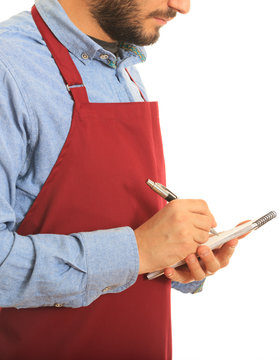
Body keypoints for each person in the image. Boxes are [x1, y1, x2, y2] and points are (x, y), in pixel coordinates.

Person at [0, 0, 239, 359]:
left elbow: (111, 219)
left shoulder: (120, 65)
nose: (182, 6)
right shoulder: (10, 68)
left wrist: (175, 252)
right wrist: (137, 252)